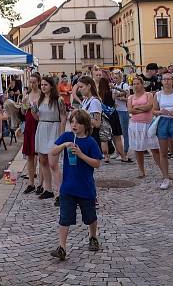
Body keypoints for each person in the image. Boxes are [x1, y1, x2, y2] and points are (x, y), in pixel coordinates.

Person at [49, 109, 103, 261]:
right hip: (68, 187)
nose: (74, 125)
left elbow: (97, 163)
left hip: (85, 187)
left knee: (90, 216)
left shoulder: (90, 142)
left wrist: (80, 155)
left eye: (78, 122)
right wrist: (64, 145)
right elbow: (53, 151)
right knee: (64, 217)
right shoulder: (67, 137)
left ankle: (93, 237)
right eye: (72, 122)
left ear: (85, 125)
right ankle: (62, 247)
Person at [34, 76, 66, 204]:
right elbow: (37, 117)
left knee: (53, 163)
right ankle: (48, 189)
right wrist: (32, 111)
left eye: (45, 84)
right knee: (43, 161)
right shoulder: (39, 100)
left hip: (54, 129)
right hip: (42, 128)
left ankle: (61, 193)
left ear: (51, 86)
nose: (43, 87)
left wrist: (62, 134)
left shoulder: (58, 100)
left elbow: (63, 117)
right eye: (41, 85)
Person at [126, 77, 161, 178]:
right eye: (134, 84)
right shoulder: (131, 97)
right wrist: (141, 109)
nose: (136, 86)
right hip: (135, 124)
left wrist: (137, 108)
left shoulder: (148, 94)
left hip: (148, 123)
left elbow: (149, 106)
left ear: (142, 84)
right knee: (138, 149)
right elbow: (130, 110)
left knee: (154, 148)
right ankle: (141, 171)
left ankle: (163, 170)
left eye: (137, 84)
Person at [98, 77, 128, 162]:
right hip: (113, 115)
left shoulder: (98, 94)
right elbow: (124, 92)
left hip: (104, 116)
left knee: (104, 138)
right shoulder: (112, 92)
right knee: (117, 137)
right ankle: (123, 156)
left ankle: (106, 156)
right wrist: (114, 87)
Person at [22, 75, 41, 191]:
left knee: (40, 154)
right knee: (30, 154)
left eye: (34, 82)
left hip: (38, 123)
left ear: (38, 82)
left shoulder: (41, 94)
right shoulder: (27, 95)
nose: (32, 84)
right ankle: (31, 182)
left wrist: (33, 107)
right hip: (29, 123)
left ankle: (41, 182)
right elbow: (24, 111)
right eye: (31, 82)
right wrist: (24, 105)